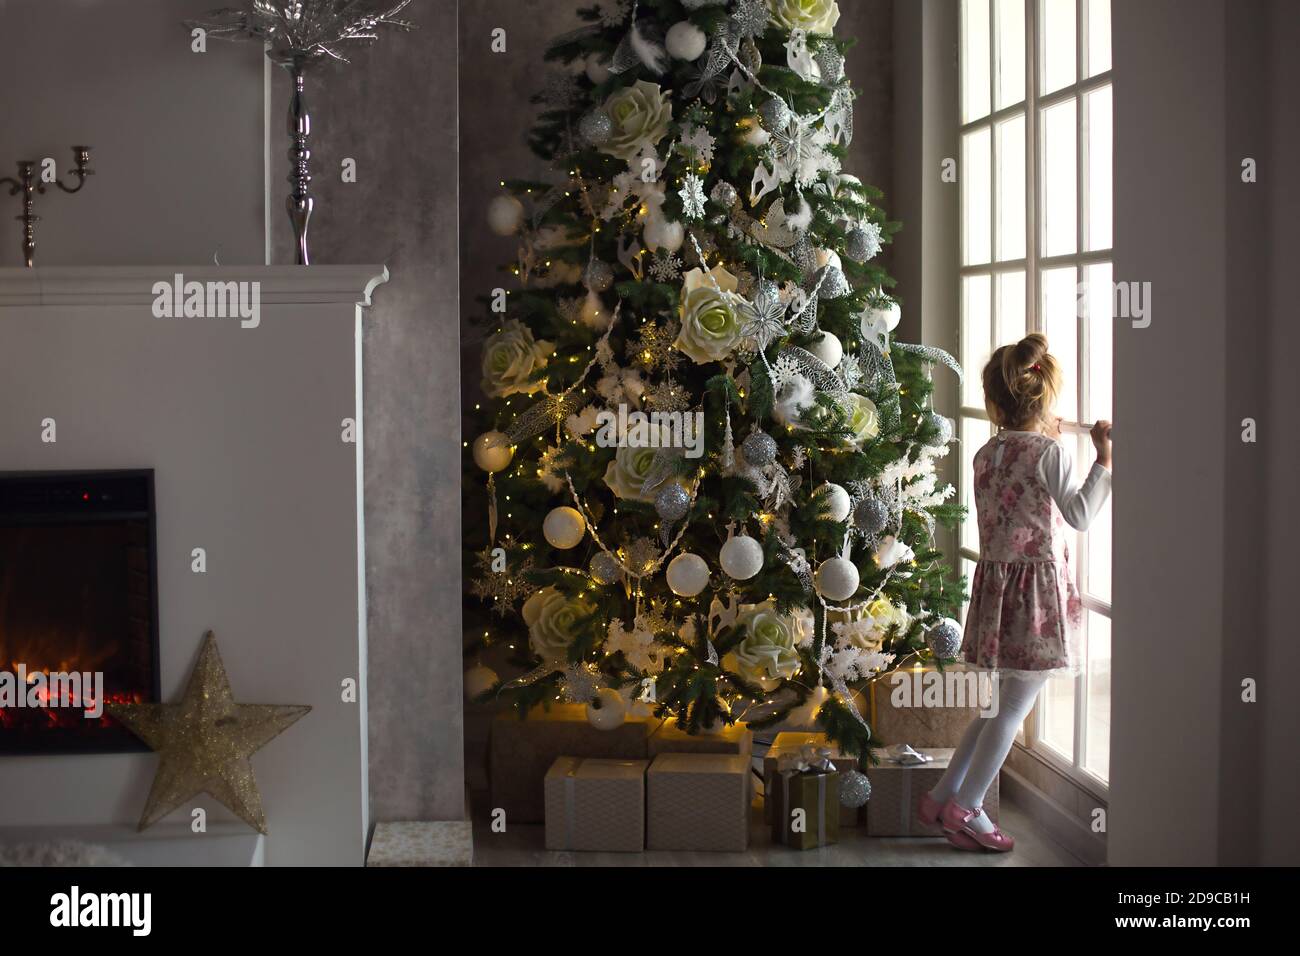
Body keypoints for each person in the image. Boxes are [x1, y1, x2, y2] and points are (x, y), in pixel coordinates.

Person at [919, 333, 1112, 851]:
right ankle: (967, 807)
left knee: (993, 708)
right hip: (1035, 594)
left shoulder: (987, 453)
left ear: (995, 401)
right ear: (1045, 399)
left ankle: (941, 796)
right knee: (1010, 711)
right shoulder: (1049, 453)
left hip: (997, 586)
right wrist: (1104, 462)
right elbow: (1079, 515)